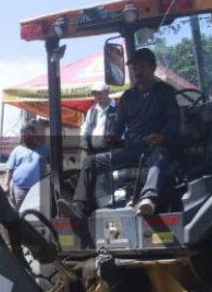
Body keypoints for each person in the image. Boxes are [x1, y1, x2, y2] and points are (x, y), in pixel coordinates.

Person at [67, 47, 179, 222]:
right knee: (90, 162)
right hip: (131, 150)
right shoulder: (128, 97)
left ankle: (148, 199)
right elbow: (118, 125)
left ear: (153, 68)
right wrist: (113, 135)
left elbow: (174, 121)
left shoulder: (165, 91)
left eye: (142, 67)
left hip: (154, 149)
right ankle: (79, 208)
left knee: (161, 154)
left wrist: (161, 136)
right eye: (135, 68)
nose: (137, 72)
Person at [4, 122, 51, 209]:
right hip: (20, 189)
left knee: (36, 211)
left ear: (34, 134)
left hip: (37, 190)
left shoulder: (45, 149)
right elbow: (9, 169)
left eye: (29, 136)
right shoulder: (17, 150)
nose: (26, 139)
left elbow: (56, 163)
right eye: (24, 136)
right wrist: (6, 185)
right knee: (21, 212)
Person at [82, 83, 119, 154]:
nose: (97, 96)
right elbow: (85, 129)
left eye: (99, 93)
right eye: (95, 94)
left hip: (111, 151)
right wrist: (85, 144)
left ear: (107, 92)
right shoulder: (91, 110)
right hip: (93, 151)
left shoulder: (118, 108)